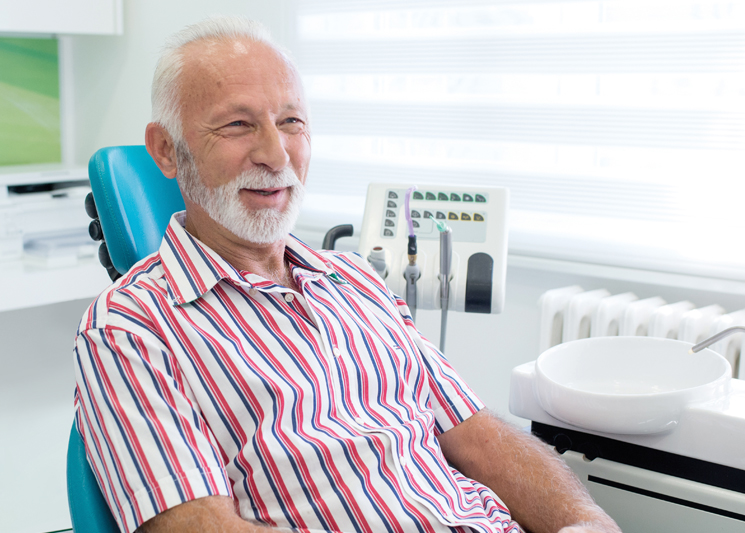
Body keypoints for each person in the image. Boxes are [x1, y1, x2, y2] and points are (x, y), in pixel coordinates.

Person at [73, 16, 621, 533]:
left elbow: (479, 437)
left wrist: (585, 518)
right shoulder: (130, 329)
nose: (275, 152)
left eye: (291, 122)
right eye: (238, 125)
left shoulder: (357, 281)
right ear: (167, 150)